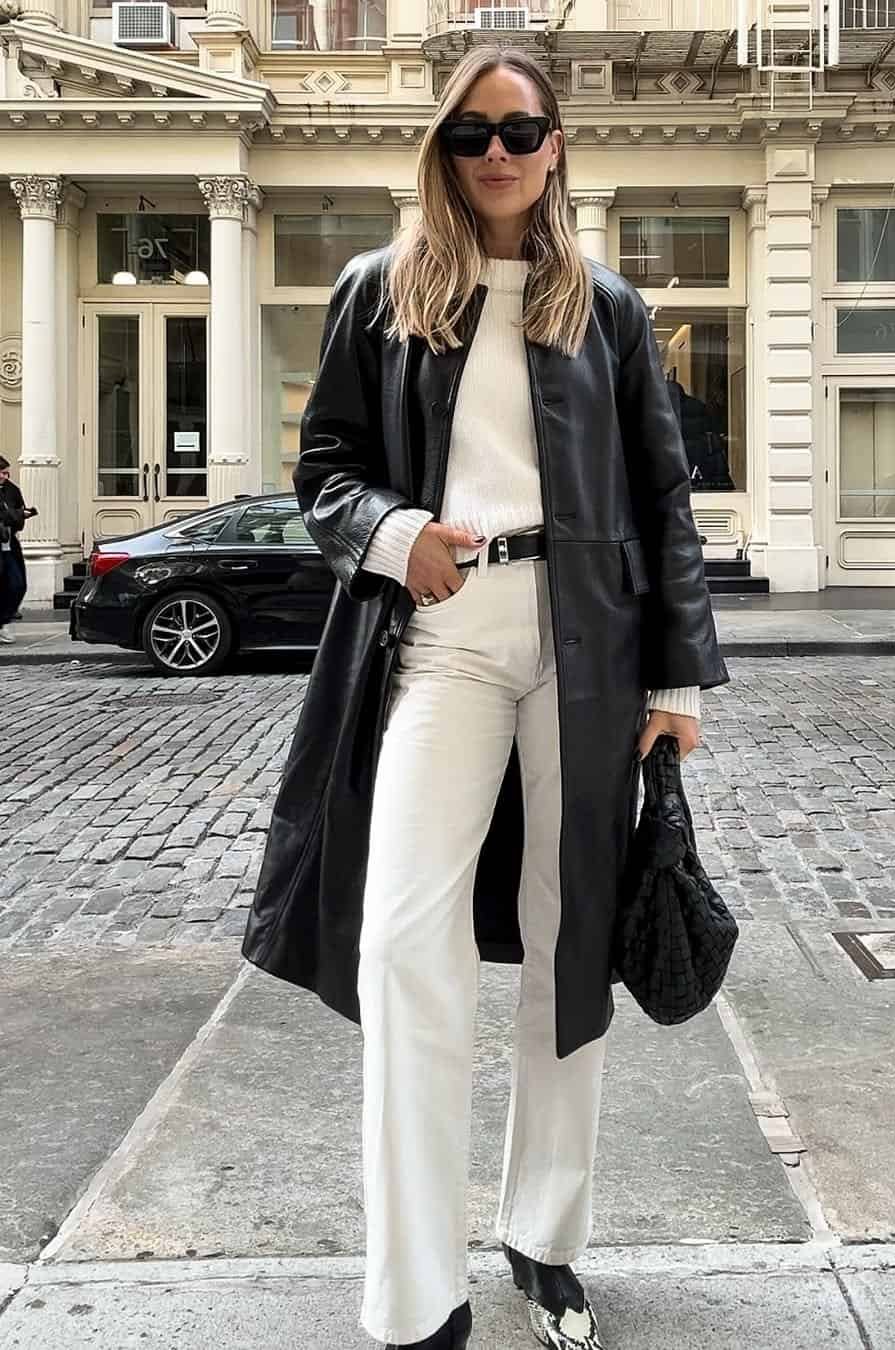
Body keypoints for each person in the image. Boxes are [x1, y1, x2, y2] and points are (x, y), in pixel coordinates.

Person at [242, 45, 727, 1350]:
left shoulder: (608, 307)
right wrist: (400, 534)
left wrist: (678, 674)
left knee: (570, 946)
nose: (499, 152)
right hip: (443, 637)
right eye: (473, 132)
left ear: (557, 144)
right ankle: (414, 1292)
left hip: (589, 643)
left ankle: (545, 1236)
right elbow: (327, 469)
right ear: (443, 149)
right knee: (405, 940)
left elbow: (661, 498)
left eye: (522, 130)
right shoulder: (380, 292)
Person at [0, 456, 36, 643]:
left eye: (7, 473)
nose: (5, 476)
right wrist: (15, 515)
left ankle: (4, 620)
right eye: (2, 472)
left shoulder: (12, 490)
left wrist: (19, 515)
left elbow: (16, 517)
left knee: (17, 583)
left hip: (8, 544)